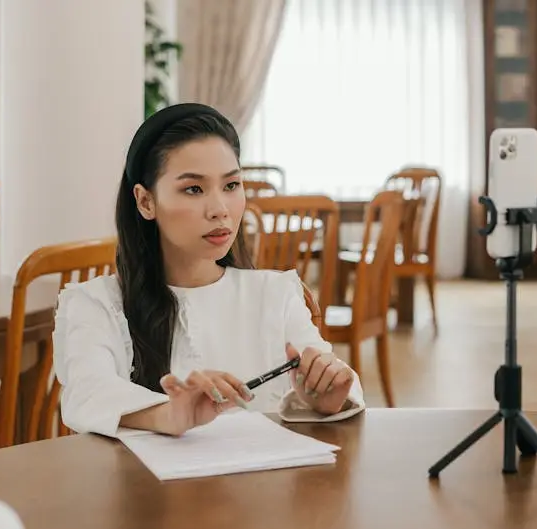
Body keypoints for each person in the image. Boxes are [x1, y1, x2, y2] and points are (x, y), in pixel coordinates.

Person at [52, 103, 363, 437]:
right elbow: (88, 393)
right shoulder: (96, 304)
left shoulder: (276, 294)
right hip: (143, 489)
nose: (220, 210)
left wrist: (327, 397)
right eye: (194, 189)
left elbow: (340, 387)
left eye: (231, 186)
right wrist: (171, 414)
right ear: (145, 202)